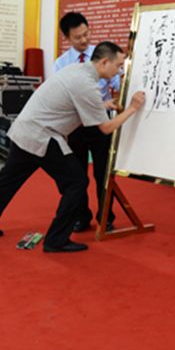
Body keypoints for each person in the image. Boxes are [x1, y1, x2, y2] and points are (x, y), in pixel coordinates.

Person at [0, 42, 145, 252]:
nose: (120, 71)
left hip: (25, 130)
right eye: (119, 65)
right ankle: (56, 240)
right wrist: (133, 108)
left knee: (5, 182)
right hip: (41, 135)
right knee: (76, 182)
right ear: (104, 62)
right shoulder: (86, 84)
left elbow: (73, 100)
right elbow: (105, 128)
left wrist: (102, 105)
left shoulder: (77, 71)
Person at [55, 12, 121, 232]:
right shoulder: (61, 64)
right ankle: (80, 216)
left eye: (86, 34)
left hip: (101, 124)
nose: (84, 40)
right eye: (77, 37)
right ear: (67, 38)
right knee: (77, 175)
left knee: (103, 173)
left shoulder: (102, 55)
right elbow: (64, 96)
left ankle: (106, 216)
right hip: (75, 126)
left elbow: (118, 84)